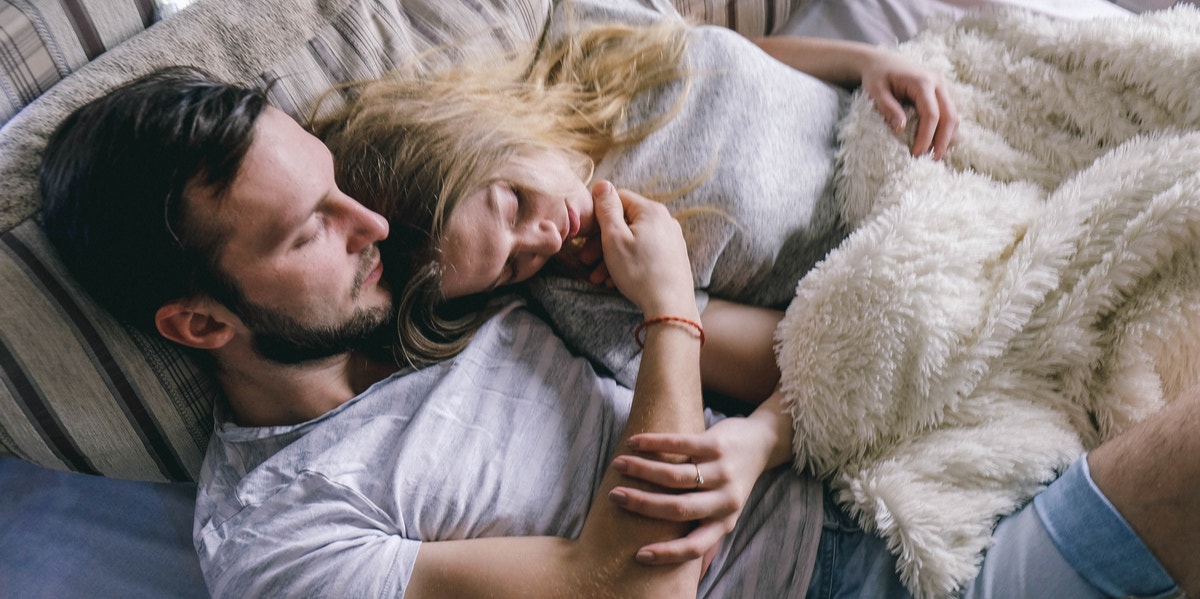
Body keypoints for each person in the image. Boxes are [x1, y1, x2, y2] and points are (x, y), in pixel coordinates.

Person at [39, 70, 1191, 599]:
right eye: (310, 230)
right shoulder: (285, 538)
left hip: (905, 490)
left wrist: (760, 434)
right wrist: (667, 316)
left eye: (341, 184)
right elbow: (613, 591)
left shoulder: (446, 295)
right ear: (198, 320)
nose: (371, 223)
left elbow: (810, 354)